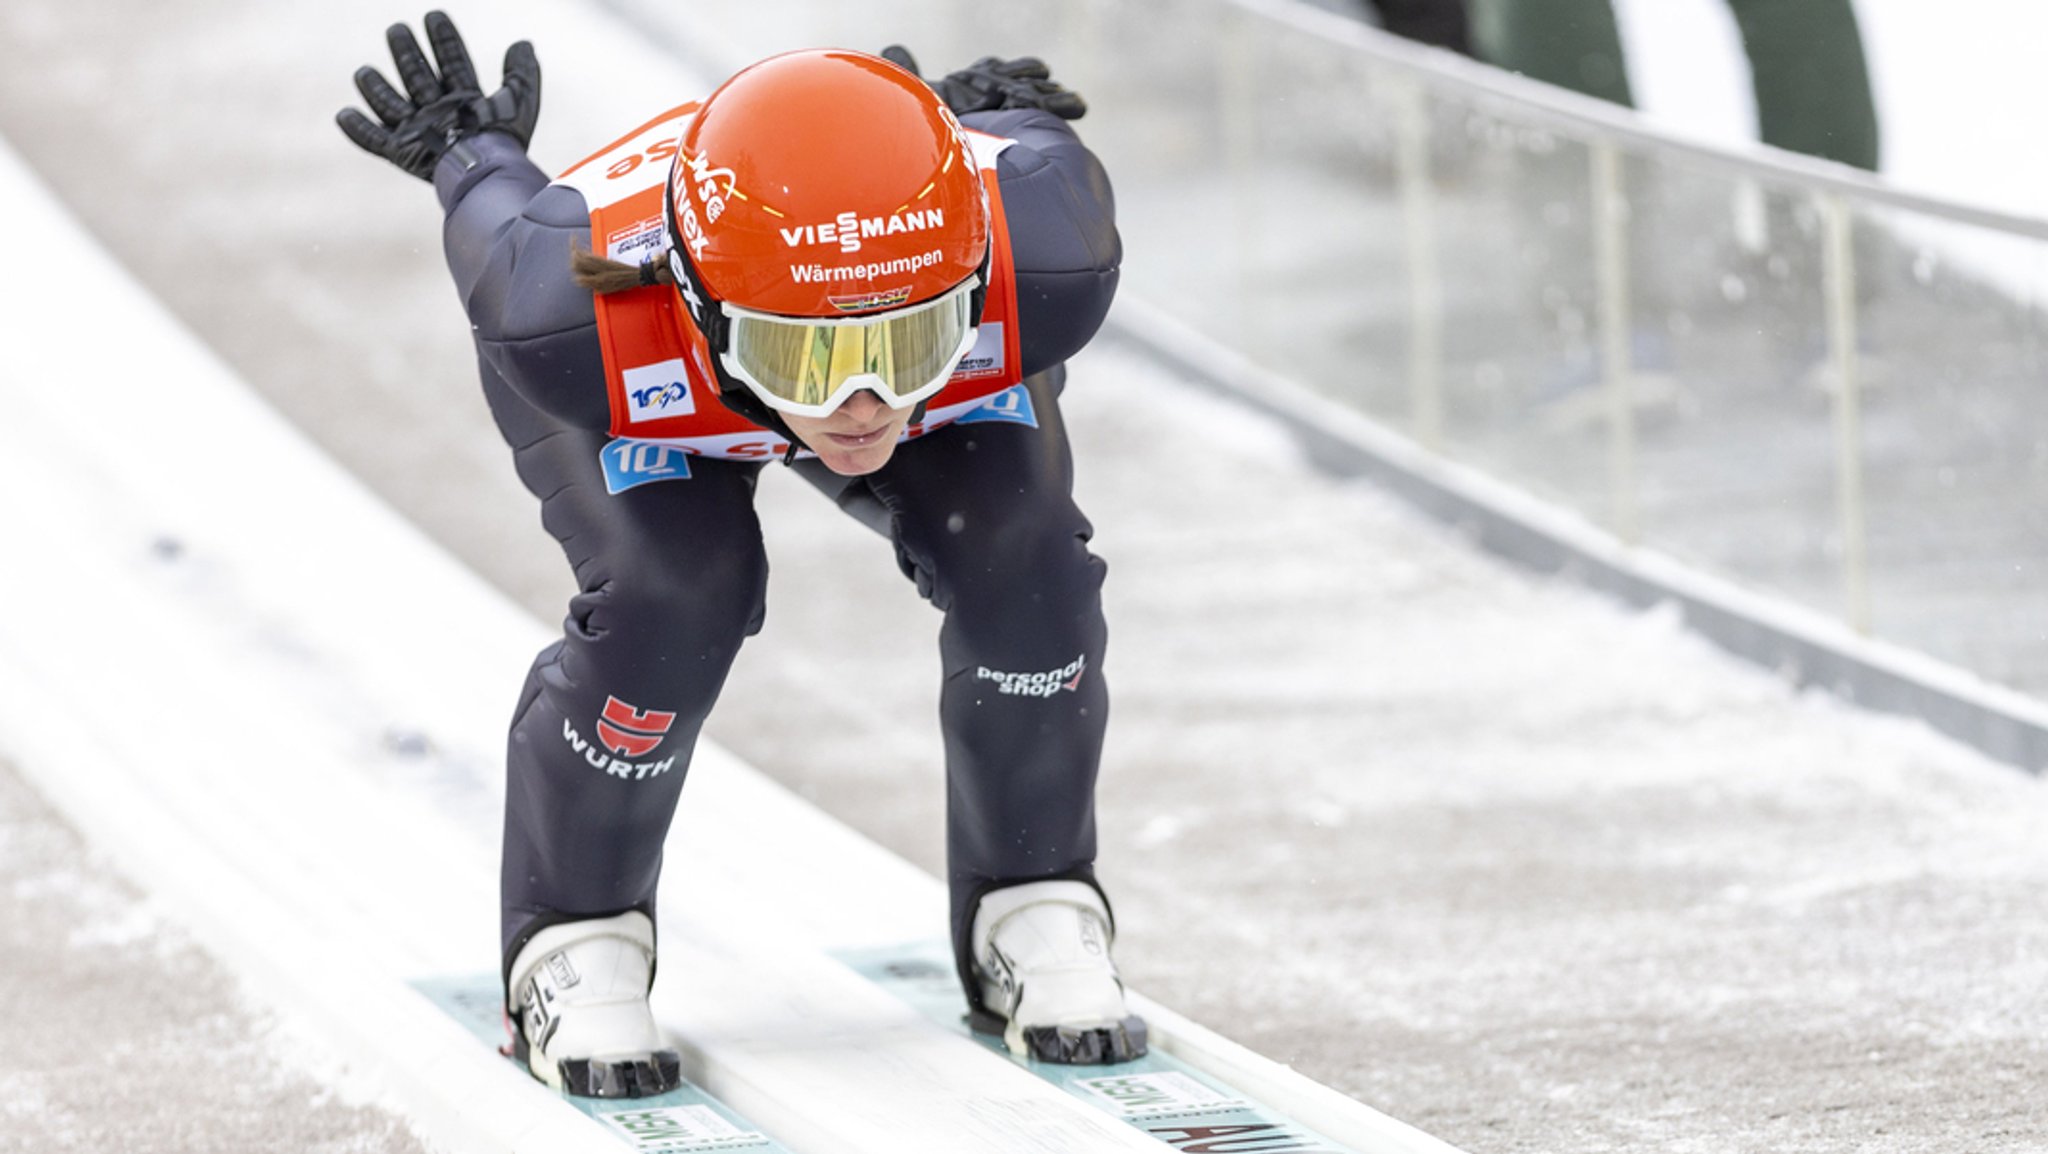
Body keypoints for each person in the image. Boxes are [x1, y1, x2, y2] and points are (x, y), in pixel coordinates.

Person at [337, 12, 1143, 1097]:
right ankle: (576, 934)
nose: (861, 404)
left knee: (1029, 562)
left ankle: (1034, 897)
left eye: (902, 338)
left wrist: (972, 118)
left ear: (969, 281)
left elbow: (1013, 147)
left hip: (829, 353)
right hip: (651, 399)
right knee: (675, 594)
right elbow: (498, 222)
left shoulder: (1040, 245)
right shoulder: (568, 309)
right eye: (805, 354)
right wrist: (470, 153)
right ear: (699, 304)